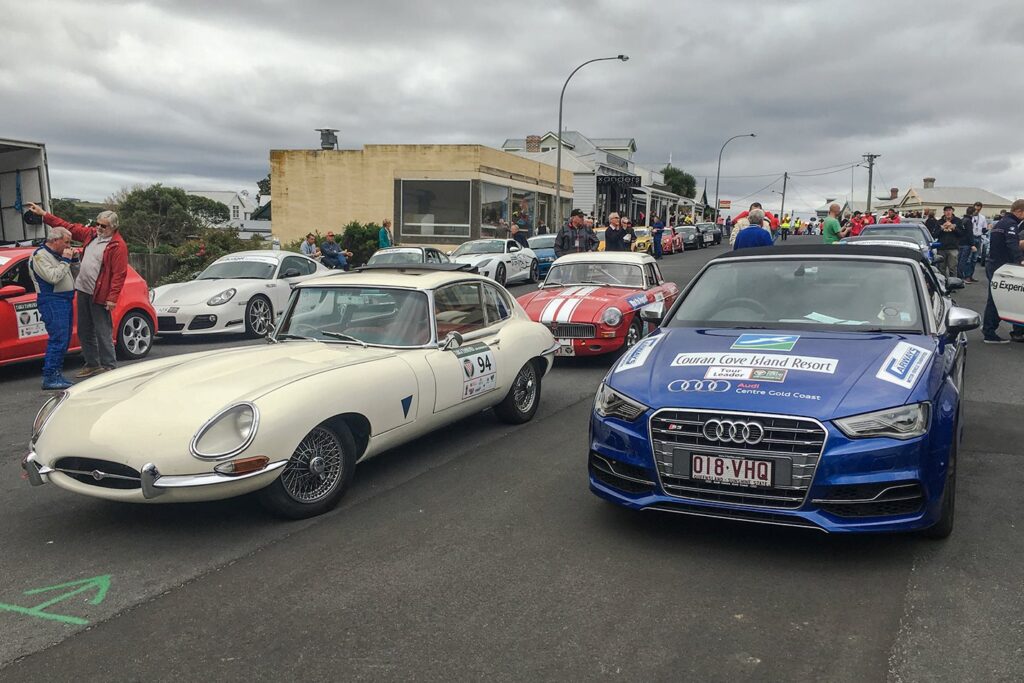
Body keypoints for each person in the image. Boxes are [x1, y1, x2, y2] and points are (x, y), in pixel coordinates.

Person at [28, 202, 128, 377]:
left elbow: (119, 274)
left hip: (99, 294)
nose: (98, 228)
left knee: (102, 330)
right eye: (97, 224)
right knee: (84, 330)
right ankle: (92, 364)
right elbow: (68, 227)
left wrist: (112, 298)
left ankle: (109, 366)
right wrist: (44, 214)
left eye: (103, 226)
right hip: (83, 290)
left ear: (113, 227)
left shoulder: (117, 245)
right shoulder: (91, 235)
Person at [28, 225, 77, 390]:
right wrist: (66, 260)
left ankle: (57, 373)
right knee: (58, 338)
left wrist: (73, 260)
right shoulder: (40, 256)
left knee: (65, 338)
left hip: (65, 299)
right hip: (52, 300)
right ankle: (50, 376)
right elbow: (53, 277)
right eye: (66, 242)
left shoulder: (58, 255)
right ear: (55, 240)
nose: (69, 246)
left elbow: (72, 274)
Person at [982, 199, 1024, 343]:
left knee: (994, 298)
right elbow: (1012, 244)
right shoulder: (1011, 224)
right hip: (1001, 266)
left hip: (994, 264)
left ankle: (989, 330)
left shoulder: (1000, 223)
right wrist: (1020, 260)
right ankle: (989, 332)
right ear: (1019, 211)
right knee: (996, 299)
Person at [932, 206, 963, 279]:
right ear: (944, 212)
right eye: (946, 211)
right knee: (941, 268)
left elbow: (961, 234)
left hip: (953, 248)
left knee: (953, 268)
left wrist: (954, 228)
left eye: (950, 210)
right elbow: (934, 235)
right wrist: (941, 228)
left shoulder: (957, 221)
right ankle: (943, 284)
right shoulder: (939, 222)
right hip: (941, 248)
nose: (948, 212)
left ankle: (954, 284)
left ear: (952, 211)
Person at [957, 206, 978, 282]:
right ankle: (961, 277)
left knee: (960, 260)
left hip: (960, 243)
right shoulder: (968, 221)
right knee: (964, 261)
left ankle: (959, 276)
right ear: (973, 212)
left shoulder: (962, 220)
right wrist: (972, 244)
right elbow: (970, 233)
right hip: (966, 243)